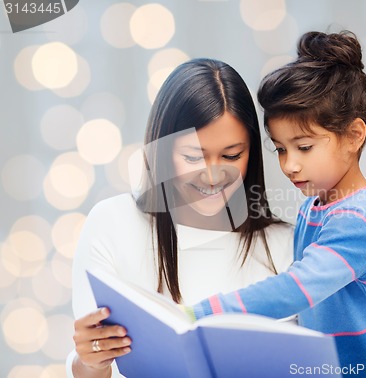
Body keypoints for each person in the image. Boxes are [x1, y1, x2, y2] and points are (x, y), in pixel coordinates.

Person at [184, 31, 366, 377]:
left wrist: (200, 314)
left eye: (304, 147)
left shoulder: (361, 217)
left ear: (354, 135)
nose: (289, 164)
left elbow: (298, 289)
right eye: (280, 148)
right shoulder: (317, 206)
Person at [66, 58, 294, 378]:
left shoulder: (285, 246)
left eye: (232, 155)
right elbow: (97, 368)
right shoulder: (112, 224)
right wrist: (88, 363)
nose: (213, 176)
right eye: (192, 156)